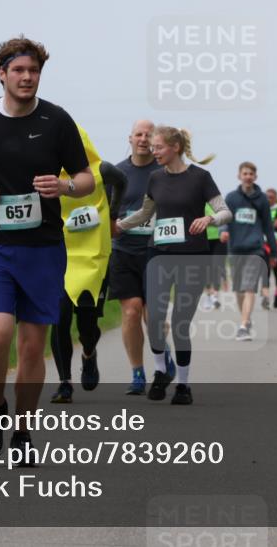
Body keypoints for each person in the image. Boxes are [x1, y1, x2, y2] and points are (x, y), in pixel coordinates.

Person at [0, 35, 93, 463]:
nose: (27, 77)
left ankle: (23, 430)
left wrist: (64, 186)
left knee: (33, 346)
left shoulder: (56, 121)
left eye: (33, 71)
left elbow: (86, 177)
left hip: (43, 247)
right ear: (2, 74)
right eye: (18, 70)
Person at [117, 127, 231, 405]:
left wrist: (209, 220)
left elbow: (225, 211)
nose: (153, 151)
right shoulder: (155, 178)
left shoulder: (200, 178)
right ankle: (159, 372)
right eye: (152, 147)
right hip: (158, 254)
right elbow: (146, 212)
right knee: (154, 318)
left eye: (158, 147)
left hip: (192, 256)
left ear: (175, 147)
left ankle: (183, 385)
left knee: (180, 322)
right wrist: (119, 225)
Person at [49, 127, 127, 403]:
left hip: (93, 256)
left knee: (87, 322)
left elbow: (122, 181)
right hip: (60, 254)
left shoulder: (102, 170)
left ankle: (89, 353)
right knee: (58, 318)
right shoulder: (49, 174)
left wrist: (113, 214)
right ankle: (64, 382)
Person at [108, 119, 174, 395]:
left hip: (156, 252)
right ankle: (137, 372)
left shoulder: (165, 172)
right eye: (139, 134)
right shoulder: (117, 172)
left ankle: (163, 359)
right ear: (130, 138)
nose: (144, 139)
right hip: (123, 250)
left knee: (153, 315)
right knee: (132, 310)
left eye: (149, 135)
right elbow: (107, 213)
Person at [223, 162, 277, 342]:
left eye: (251, 174)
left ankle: (244, 325)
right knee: (238, 289)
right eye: (245, 173)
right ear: (239, 176)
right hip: (236, 249)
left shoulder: (261, 199)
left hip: (255, 249)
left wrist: (273, 253)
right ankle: (245, 318)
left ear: (255, 177)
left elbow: (269, 228)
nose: (248, 176)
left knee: (249, 287)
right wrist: (223, 230)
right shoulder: (231, 197)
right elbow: (224, 217)